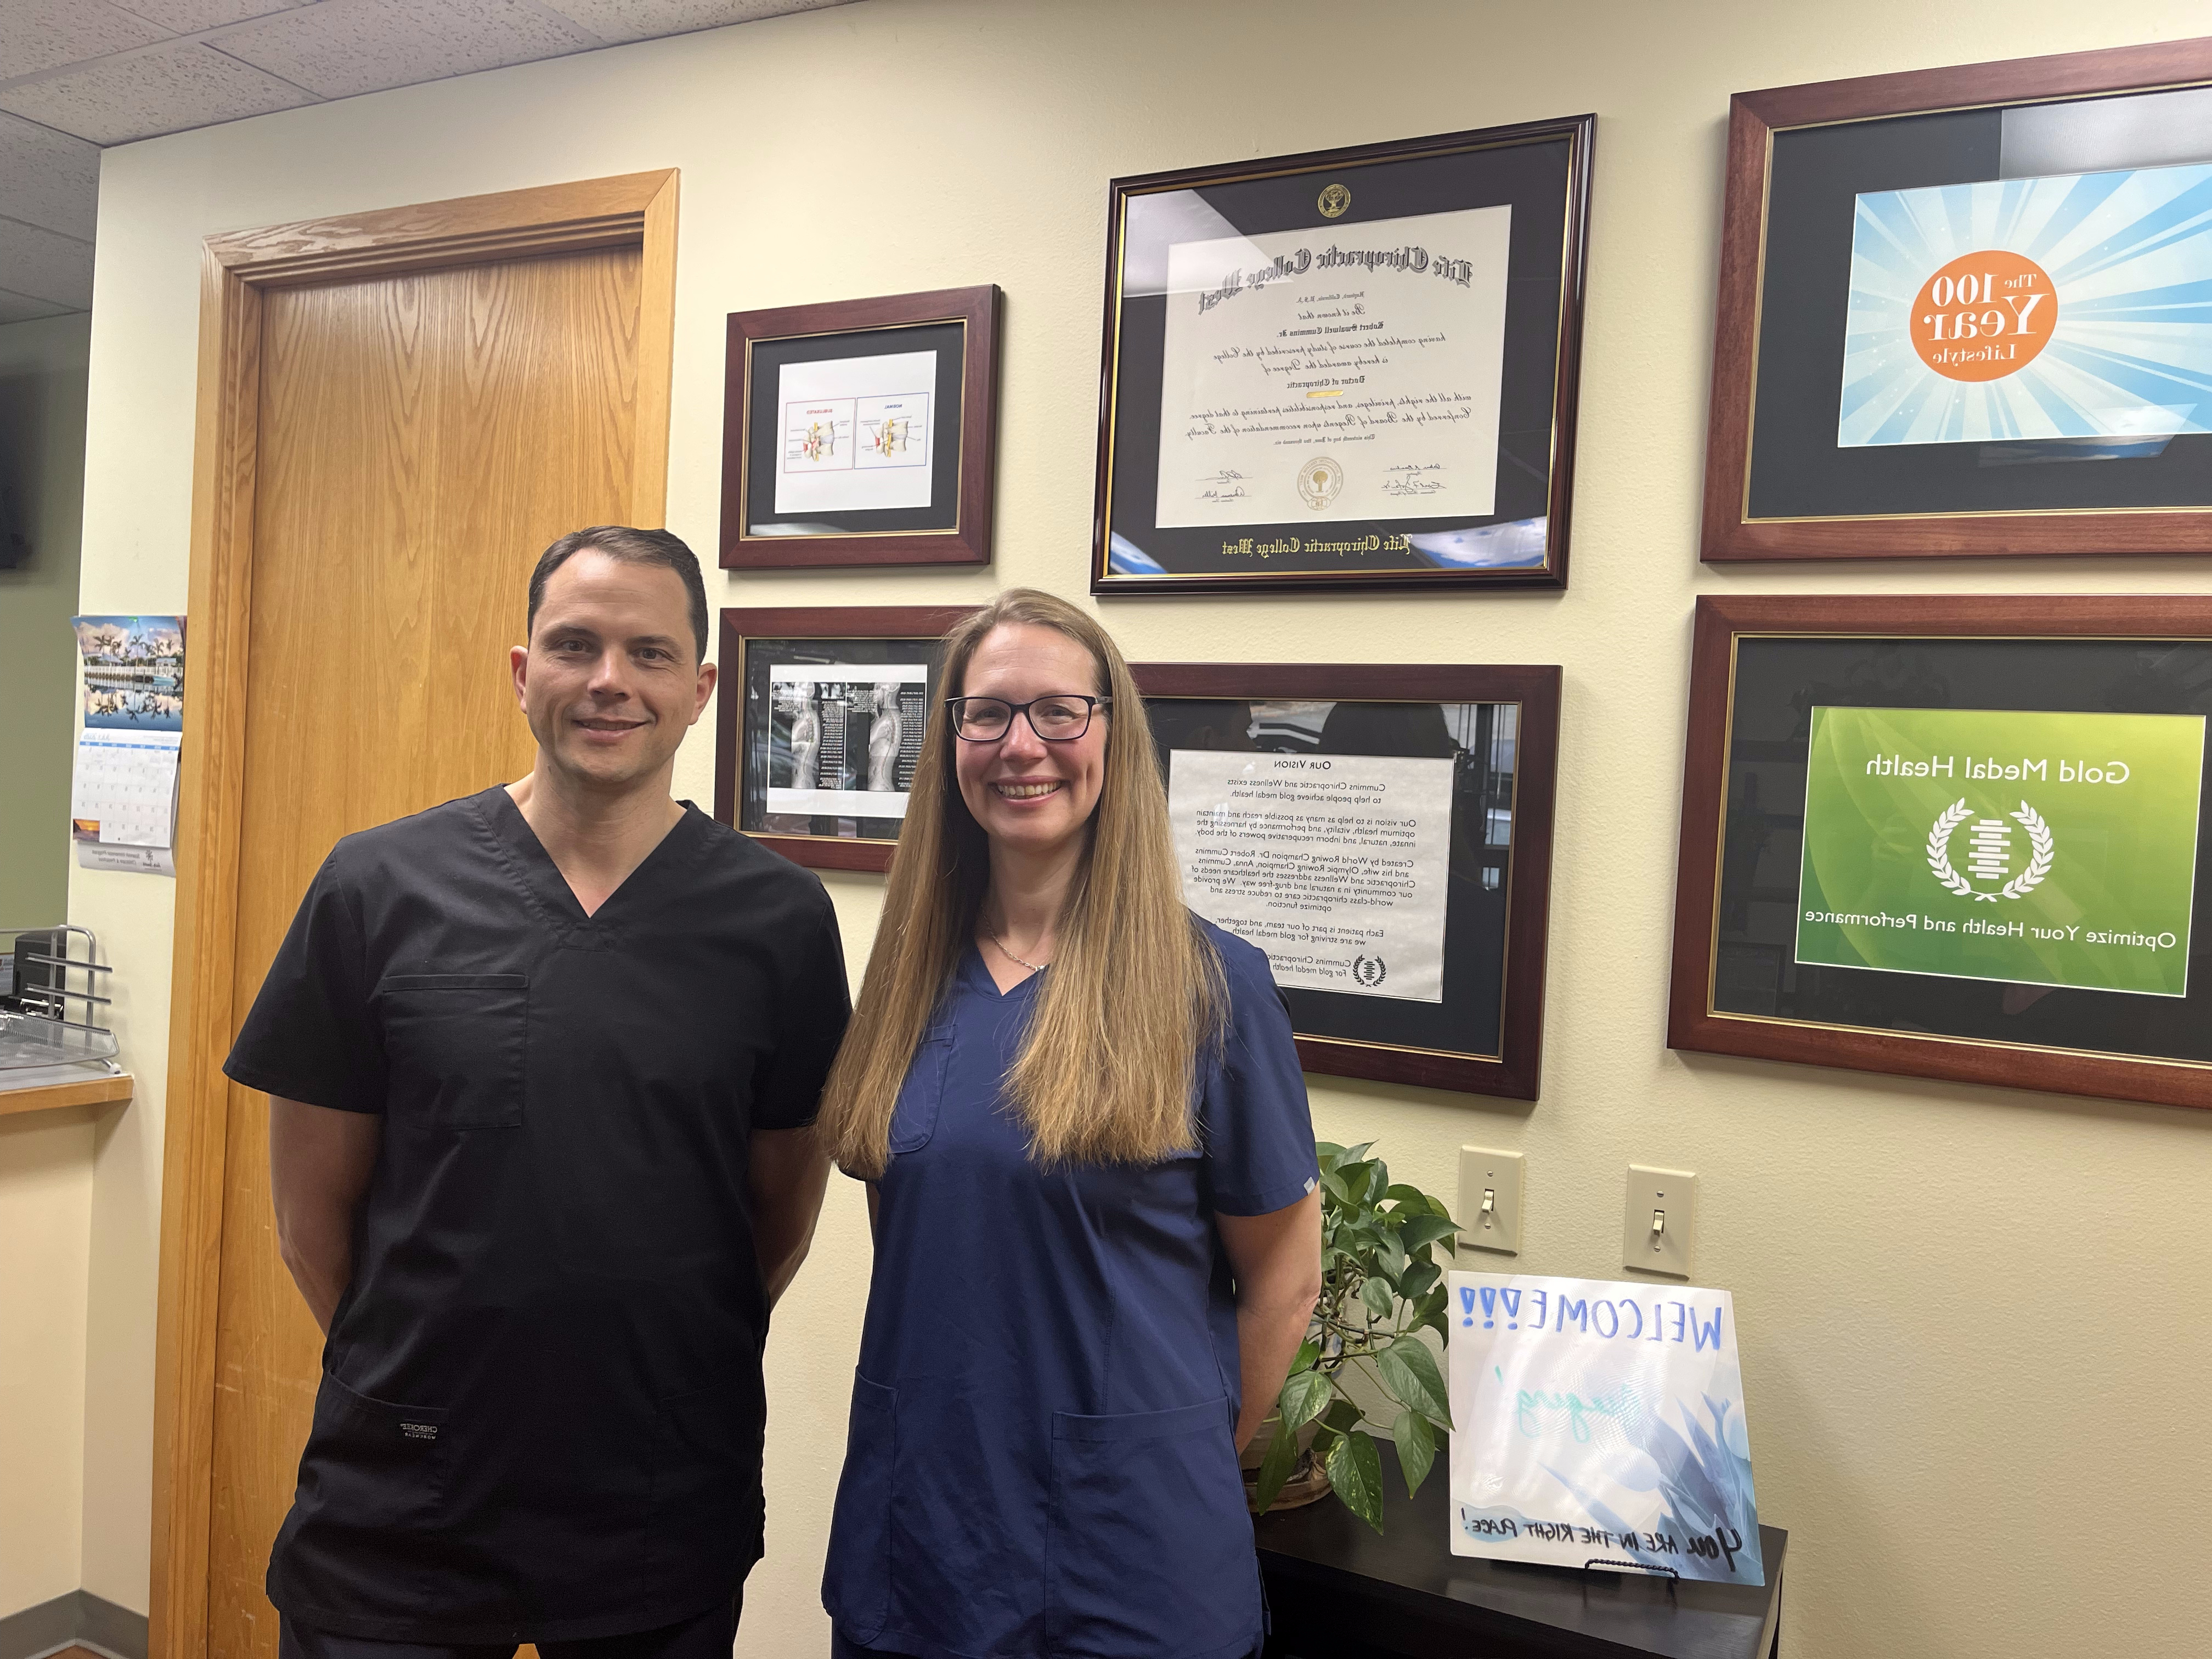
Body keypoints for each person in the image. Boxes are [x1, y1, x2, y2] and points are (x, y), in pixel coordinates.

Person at [224, 526, 850, 1659]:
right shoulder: (377, 887)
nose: (611, 681)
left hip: (659, 1492)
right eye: (576, 645)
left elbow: (776, 1217)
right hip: (403, 1498)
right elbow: (311, 1221)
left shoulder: (779, 922)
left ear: (700, 687)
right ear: (524, 674)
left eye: (650, 653)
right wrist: (439, 1374)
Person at [816, 589, 1324, 1659]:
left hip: (1129, 1559)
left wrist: (1162, 1445)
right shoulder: (909, 980)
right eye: (987, 713)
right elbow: (928, 1238)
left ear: (1112, 735)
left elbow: (1284, 1280)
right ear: (950, 737)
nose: (1021, 746)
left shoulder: (1212, 988)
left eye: (1059, 712)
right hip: (922, 1536)